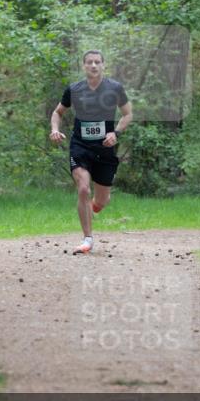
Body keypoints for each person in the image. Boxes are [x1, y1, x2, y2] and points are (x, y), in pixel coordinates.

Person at [49, 50, 133, 254]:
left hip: (105, 148)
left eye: (97, 62)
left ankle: (94, 206)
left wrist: (116, 133)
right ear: (84, 66)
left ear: (103, 65)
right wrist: (54, 129)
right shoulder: (74, 89)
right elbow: (58, 112)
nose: (93, 65)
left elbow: (128, 114)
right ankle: (88, 239)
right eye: (89, 62)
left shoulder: (115, 88)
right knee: (84, 189)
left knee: (102, 201)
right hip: (80, 146)